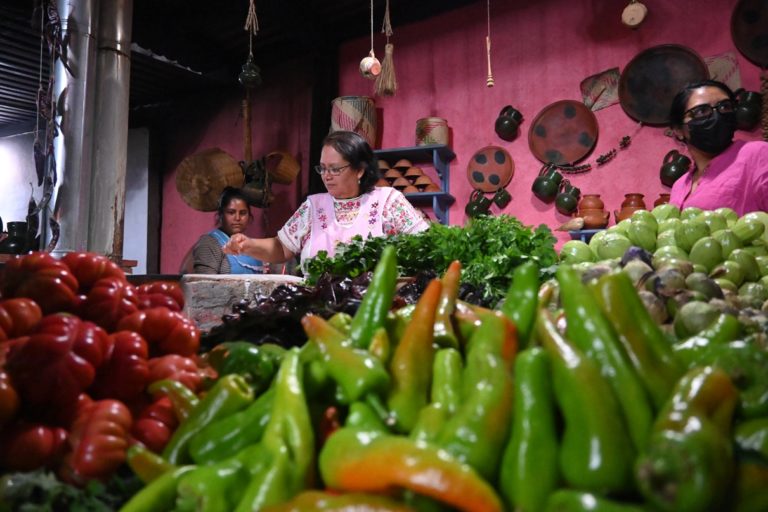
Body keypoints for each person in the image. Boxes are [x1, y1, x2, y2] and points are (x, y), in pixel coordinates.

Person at [223, 130, 431, 269]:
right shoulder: (313, 207)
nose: (326, 176)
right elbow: (281, 248)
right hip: (318, 308)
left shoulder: (389, 202)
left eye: (335, 169)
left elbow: (426, 244)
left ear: (359, 170)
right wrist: (248, 245)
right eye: (322, 168)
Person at [668, 79, 768, 216]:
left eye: (725, 107)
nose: (717, 115)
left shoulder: (758, 154)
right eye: (702, 111)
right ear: (678, 130)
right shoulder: (679, 185)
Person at [190, 186, 267, 274]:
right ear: (221, 215)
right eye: (231, 212)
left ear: (249, 217)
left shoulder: (251, 245)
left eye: (243, 213)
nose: (237, 218)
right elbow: (204, 285)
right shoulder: (209, 243)